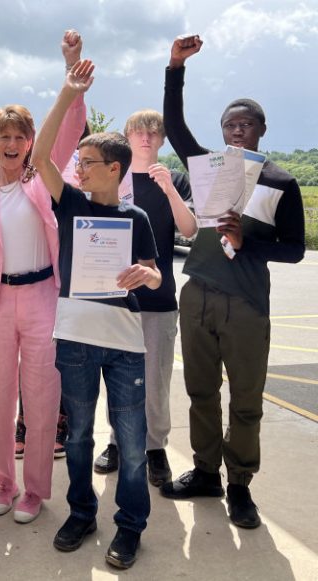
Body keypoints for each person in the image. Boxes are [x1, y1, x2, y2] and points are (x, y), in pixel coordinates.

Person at [159, 35, 305, 529]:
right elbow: (175, 127)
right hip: (197, 293)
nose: (237, 130)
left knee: (245, 399)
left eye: (246, 124)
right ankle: (206, 472)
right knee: (201, 391)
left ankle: (240, 484)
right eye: (229, 124)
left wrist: (248, 243)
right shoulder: (207, 168)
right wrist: (175, 68)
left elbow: (295, 249)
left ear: (262, 129)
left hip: (246, 304)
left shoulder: (281, 182)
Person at [32, 57, 161, 568]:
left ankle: (130, 526)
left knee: (131, 442)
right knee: (80, 436)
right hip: (76, 340)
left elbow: (155, 274)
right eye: (78, 161)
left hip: (125, 343)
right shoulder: (70, 204)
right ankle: (82, 512)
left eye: (87, 162)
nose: (78, 169)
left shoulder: (136, 216)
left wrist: (146, 276)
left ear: (114, 168)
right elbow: (40, 156)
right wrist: (67, 92)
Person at [0, 29, 85, 526]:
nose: (11, 144)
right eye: (3, 137)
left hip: (41, 298)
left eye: (20, 137)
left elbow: (71, 130)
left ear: (31, 142)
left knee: (40, 398)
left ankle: (34, 488)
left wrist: (71, 76)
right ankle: (3, 481)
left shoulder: (42, 179)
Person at [92, 110, 197, 486]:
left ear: (162, 139)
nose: (146, 137)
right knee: (117, 376)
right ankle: (117, 440)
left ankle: (155, 447)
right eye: (138, 131)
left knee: (156, 380)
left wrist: (169, 189)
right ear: (127, 136)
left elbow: (190, 229)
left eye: (154, 132)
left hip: (159, 298)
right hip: (116, 297)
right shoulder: (112, 178)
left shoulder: (176, 179)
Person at [14, 31, 89, 461]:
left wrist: (71, 72)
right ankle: (25, 422)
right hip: (24, 287)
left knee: (56, 358)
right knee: (29, 361)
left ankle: (59, 422)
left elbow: (72, 123)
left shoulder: (58, 172)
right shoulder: (9, 177)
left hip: (63, 281)